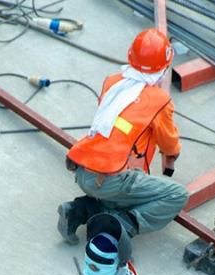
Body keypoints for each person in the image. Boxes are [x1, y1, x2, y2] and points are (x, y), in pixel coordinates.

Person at [57, 28, 189, 244]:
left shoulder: (113, 82)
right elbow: (168, 143)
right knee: (176, 195)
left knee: (124, 190)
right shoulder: (159, 100)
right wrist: (172, 155)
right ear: (164, 67)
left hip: (82, 168)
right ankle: (120, 225)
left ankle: (77, 211)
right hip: (111, 177)